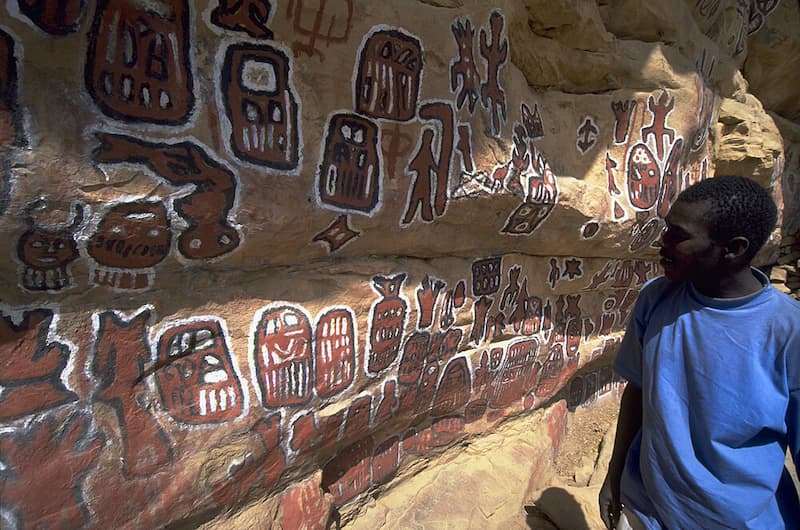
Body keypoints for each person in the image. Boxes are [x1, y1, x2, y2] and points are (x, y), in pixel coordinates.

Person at [598, 175, 800, 529]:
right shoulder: (656, 298)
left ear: (733, 249)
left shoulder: (787, 331)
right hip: (647, 509)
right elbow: (638, 391)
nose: (662, 244)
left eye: (679, 237)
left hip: (736, 520)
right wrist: (615, 474)